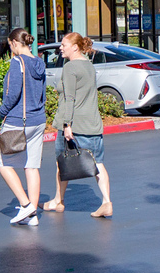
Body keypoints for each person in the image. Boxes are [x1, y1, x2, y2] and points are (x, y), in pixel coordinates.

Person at [43, 32, 113, 219]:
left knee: (62, 163)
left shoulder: (70, 67)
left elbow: (69, 98)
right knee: (98, 163)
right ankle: (106, 201)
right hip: (92, 123)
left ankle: (58, 200)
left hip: (75, 124)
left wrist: (67, 124)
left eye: (64, 45)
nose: (60, 48)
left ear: (74, 47)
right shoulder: (89, 65)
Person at [0, 27, 47, 226]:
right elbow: (42, 94)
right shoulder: (39, 62)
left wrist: (1, 114)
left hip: (18, 121)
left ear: (15, 43)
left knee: (2, 162)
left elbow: (12, 94)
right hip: (38, 120)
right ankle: (32, 214)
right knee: (31, 166)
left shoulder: (17, 63)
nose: (10, 50)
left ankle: (26, 205)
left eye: (10, 45)